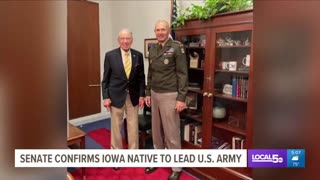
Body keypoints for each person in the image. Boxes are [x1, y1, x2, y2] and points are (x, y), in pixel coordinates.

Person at [145, 20, 188, 180]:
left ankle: (176, 166)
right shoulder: (154, 48)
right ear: (155, 32)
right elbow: (150, 73)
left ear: (168, 30)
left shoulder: (177, 47)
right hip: (155, 94)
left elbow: (183, 74)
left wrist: (181, 98)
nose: (160, 32)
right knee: (156, 130)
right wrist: (148, 92)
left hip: (170, 95)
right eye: (157, 30)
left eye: (163, 29)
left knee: (171, 132)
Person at [101, 29, 145, 169]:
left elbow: (141, 78)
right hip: (115, 97)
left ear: (132, 39)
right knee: (116, 128)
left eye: (128, 38)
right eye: (123, 39)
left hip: (133, 97)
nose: (125, 41)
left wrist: (142, 95)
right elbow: (105, 79)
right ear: (118, 40)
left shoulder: (138, 55)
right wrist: (106, 97)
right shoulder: (110, 55)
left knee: (133, 126)